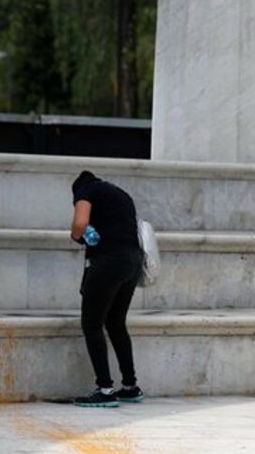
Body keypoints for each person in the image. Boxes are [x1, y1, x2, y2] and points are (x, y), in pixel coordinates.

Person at [70, 170, 146, 407]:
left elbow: (80, 223)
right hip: (132, 262)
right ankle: (130, 386)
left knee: (92, 323)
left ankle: (104, 389)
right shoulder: (120, 194)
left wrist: (76, 235)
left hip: (109, 262)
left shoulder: (86, 189)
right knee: (115, 322)